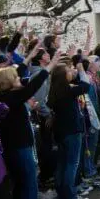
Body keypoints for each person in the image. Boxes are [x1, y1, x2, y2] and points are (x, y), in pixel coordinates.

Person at [0, 47, 59, 199]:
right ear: (8, 83)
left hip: (15, 148)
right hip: (19, 149)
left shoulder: (7, 97)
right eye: (15, 78)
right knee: (29, 184)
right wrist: (51, 64)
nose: (19, 78)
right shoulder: (12, 98)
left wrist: (28, 58)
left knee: (22, 185)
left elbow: (23, 77)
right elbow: (33, 85)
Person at [48, 61, 91, 199]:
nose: (71, 72)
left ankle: (62, 193)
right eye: (68, 70)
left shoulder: (55, 91)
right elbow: (86, 86)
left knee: (63, 163)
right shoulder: (68, 90)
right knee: (72, 163)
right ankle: (71, 196)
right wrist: (80, 70)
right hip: (72, 130)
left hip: (60, 131)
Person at [28, 46, 55, 185]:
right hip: (43, 117)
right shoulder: (39, 75)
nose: (48, 55)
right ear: (40, 58)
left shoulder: (41, 73)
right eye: (45, 53)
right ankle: (46, 176)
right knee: (46, 147)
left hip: (45, 115)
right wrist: (48, 114)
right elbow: (38, 100)